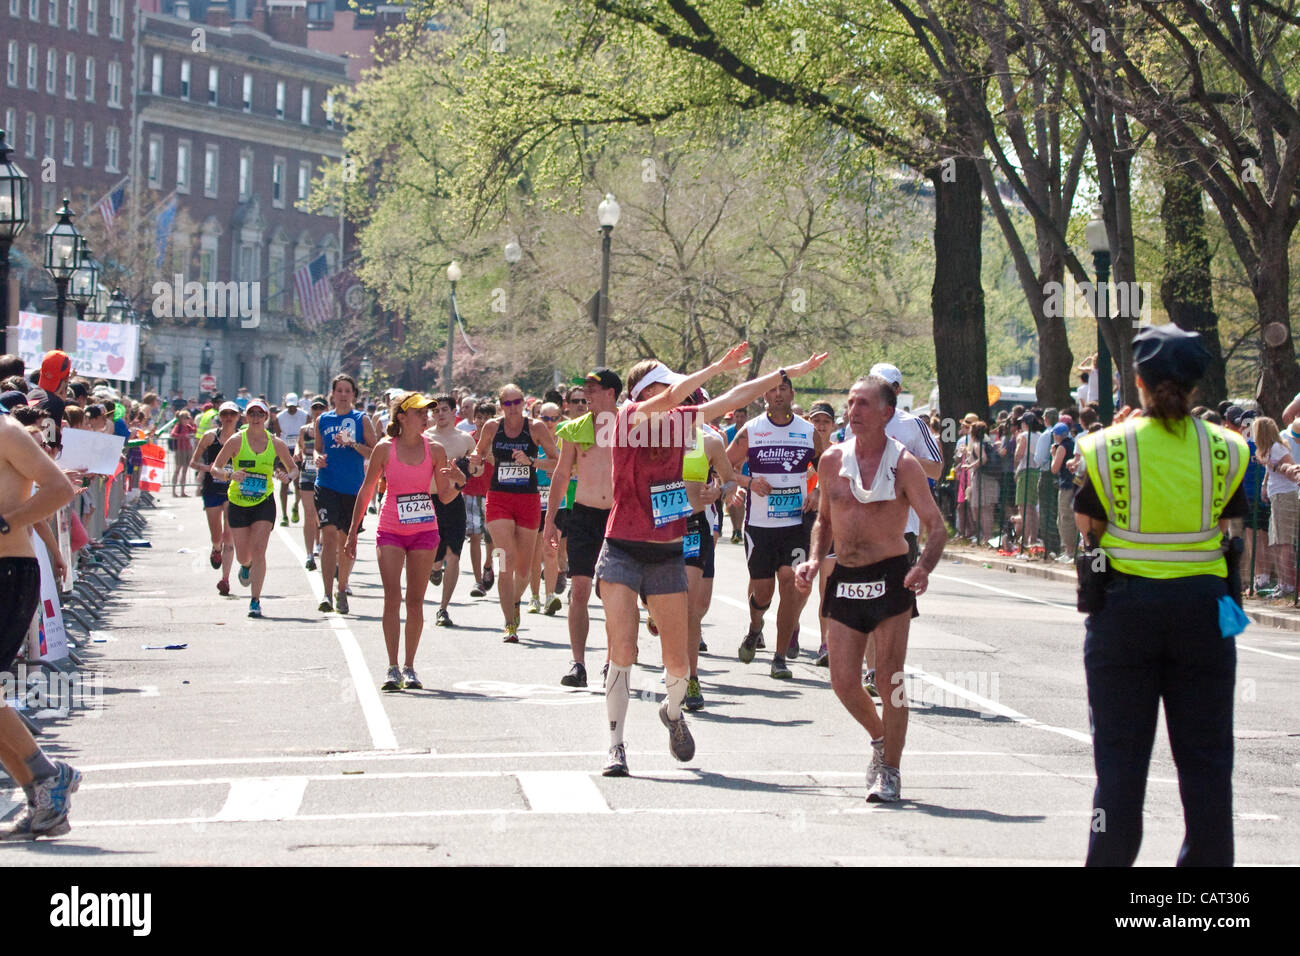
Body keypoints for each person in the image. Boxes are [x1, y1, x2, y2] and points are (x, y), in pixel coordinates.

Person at [598, 345, 828, 777]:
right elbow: (674, 398)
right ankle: (616, 745)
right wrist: (716, 367)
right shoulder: (628, 418)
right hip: (623, 546)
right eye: (671, 387)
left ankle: (672, 712)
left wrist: (784, 371)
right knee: (623, 650)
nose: (682, 398)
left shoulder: (682, 425)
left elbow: (733, 399)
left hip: (666, 547)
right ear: (649, 391)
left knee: (679, 661)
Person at [1073, 324, 1250, 866]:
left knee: (1120, 766)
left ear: (1138, 381)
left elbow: (1087, 525)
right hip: (1204, 611)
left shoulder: (1106, 446)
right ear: (1197, 385)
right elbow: (1236, 526)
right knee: (1208, 764)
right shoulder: (1229, 448)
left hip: (1126, 613)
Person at [793, 375, 948, 802]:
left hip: (889, 578)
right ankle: (881, 741)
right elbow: (824, 519)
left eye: (862, 404)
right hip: (846, 578)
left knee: (888, 678)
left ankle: (891, 771)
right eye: (850, 403)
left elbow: (936, 526)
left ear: (886, 413)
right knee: (842, 681)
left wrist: (924, 567)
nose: (852, 411)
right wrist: (812, 557)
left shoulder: (904, 464)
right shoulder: (831, 460)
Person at [0, 410, 81, 839]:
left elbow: (60, 488)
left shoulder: (6, 431)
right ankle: (42, 796)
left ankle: (49, 777)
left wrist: (8, 521)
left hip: (9, 570)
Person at [347, 392, 463, 690]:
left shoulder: (435, 450)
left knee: (415, 601)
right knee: (392, 598)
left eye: (429, 412)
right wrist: (352, 533)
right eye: (420, 412)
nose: (427, 417)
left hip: (425, 530)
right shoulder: (385, 449)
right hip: (391, 530)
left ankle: (410, 667)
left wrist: (460, 480)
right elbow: (366, 490)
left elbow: (447, 495)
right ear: (401, 416)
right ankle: (392, 666)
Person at [727, 371, 827, 679]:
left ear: (792, 394)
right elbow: (725, 467)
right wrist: (748, 482)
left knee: (790, 584)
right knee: (764, 593)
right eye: (772, 390)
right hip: (759, 525)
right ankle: (755, 628)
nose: (778, 394)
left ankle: (780, 657)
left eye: (783, 388)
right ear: (764, 397)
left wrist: (818, 490)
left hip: (796, 522)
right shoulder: (752, 430)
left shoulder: (808, 431)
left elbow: (827, 467)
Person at [545, 368, 621, 688]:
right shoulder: (576, 428)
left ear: (611, 393)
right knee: (580, 589)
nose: (586, 394)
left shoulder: (629, 427)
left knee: (614, 595)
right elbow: (562, 475)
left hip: (619, 517)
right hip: (584, 515)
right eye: (584, 388)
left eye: (592, 388)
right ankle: (578, 664)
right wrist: (550, 521)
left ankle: (611, 663)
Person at [469, 384, 560, 641]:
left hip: (528, 501)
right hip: (498, 499)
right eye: (507, 403)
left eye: (517, 402)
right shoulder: (491, 427)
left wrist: (532, 462)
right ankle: (509, 624)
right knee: (505, 561)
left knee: (523, 570)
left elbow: (557, 461)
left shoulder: (536, 427)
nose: (513, 408)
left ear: (524, 403)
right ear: (500, 406)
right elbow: (480, 454)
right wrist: (475, 462)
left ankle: (515, 601)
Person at [211, 398, 299, 618]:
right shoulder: (236, 440)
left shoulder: (275, 443)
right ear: (246, 417)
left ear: (266, 417)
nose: (256, 418)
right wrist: (230, 475)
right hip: (238, 503)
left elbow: (294, 469)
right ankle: (246, 565)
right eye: (252, 413)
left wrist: (286, 476)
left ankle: (255, 600)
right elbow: (215, 468)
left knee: (260, 550)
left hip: (263, 502)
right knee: (243, 556)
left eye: (260, 414)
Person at [681, 391, 736, 709]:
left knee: (691, 608)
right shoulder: (649, 440)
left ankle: (690, 679)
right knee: (667, 606)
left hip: (693, 527)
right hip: (657, 528)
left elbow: (730, 481)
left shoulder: (711, 442)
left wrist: (719, 490)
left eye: (693, 404)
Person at [314, 374, 376, 615]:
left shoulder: (361, 419)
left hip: (353, 488)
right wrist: (316, 458)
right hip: (326, 483)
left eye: (347, 390)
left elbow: (374, 451)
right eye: (338, 390)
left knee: (345, 540)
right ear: (332, 393)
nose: (342, 394)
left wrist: (352, 443)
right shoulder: (323, 420)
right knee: (328, 536)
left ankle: (342, 589)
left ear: (353, 395)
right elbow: (318, 449)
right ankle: (327, 594)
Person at [426, 394, 480, 626]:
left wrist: (469, 468)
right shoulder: (424, 438)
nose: (440, 414)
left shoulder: (465, 439)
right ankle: (434, 568)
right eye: (436, 411)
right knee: (434, 556)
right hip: (429, 501)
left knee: (454, 555)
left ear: (453, 411)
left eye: (444, 410)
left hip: (455, 500)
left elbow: (478, 469)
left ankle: (443, 608)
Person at [189, 401, 242, 594]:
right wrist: (208, 468)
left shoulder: (241, 439)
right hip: (212, 489)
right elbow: (193, 462)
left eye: (232, 414)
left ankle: (225, 579)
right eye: (225, 414)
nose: (228, 417)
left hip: (232, 490)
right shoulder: (209, 437)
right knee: (216, 535)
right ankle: (215, 548)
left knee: (229, 536)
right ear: (219, 416)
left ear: (238, 417)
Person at [1251, 416, 1298, 597]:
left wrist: (1275, 466)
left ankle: (1288, 585)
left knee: (1284, 541)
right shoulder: (1269, 450)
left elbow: (1293, 471)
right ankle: (1282, 582)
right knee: (1276, 541)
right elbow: (1270, 470)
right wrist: (1264, 484)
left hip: (1285, 496)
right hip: (1276, 496)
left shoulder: (1278, 449)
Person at [525, 402, 563, 615]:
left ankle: (550, 597)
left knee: (551, 550)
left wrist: (560, 473)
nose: (548, 423)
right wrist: (539, 466)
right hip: (533, 501)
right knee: (534, 553)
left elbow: (576, 469)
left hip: (558, 503)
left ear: (560, 419)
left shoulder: (565, 441)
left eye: (553, 418)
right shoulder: (532, 441)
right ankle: (534, 596)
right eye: (544, 418)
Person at [464, 402, 495, 597]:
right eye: (479, 417)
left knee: (491, 536)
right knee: (475, 535)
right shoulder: (468, 440)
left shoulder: (499, 441)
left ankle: (489, 564)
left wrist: (493, 458)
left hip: (493, 493)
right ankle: (477, 581)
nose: (482, 422)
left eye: (486, 418)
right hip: (471, 492)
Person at [296, 397, 327, 570]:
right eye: (315, 408)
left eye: (321, 408)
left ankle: (320, 544)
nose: (318, 411)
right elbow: (299, 446)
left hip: (324, 475)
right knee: (309, 514)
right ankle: (309, 555)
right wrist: (297, 453)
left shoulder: (328, 430)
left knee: (320, 515)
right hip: (307, 475)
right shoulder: (304, 430)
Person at [277, 393, 309, 526]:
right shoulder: (279, 417)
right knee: (284, 483)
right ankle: (284, 515)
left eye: (294, 406)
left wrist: (304, 451)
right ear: (285, 404)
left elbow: (307, 434)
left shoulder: (304, 415)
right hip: (285, 450)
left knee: (299, 484)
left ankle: (295, 505)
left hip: (300, 450)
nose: (291, 409)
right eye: (289, 406)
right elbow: (278, 435)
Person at [171, 411, 196, 496]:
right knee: (177, 469)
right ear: (181, 419)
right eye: (186, 418)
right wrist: (183, 436)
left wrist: (193, 424)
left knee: (185, 471)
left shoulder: (189, 427)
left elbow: (195, 431)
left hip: (188, 449)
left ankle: (182, 491)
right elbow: (173, 434)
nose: (187, 420)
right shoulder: (178, 427)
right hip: (180, 450)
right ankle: (174, 491)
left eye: (188, 418)